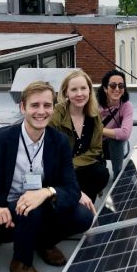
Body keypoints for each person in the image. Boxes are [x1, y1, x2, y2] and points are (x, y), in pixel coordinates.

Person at [0, 81, 96, 272]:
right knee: (29, 207)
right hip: (4, 215)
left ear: (53, 108)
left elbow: (71, 188)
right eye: (34, 105)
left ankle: (44, 243)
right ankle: (21, 261)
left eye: (47, 105)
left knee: (83, 216)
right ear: (22, 107)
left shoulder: (58, 142)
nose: (41, 111)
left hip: (40, 207)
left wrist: (45, 192)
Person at [50, 70, 110, 203]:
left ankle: (85, 204)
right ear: (66, 92)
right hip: (60, 170)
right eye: (74, 89)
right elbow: (48, 148)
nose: (79, 94)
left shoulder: (94, 116)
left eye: (83, 88)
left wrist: (73, 164)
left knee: (100, 173)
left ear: (89, 90)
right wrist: (67, 167)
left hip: (82, 168)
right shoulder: (56, 115)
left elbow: (95, 150)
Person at [97, 69, 133, 181]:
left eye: (121, 86)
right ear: (105, 88)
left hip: (116, 148)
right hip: (95, 145)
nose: (117, 89)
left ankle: (117, 176)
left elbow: (125, 134)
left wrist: (99, 130)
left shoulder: (126, 106)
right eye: (113, 86)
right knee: (99, 175)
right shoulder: (94, 105)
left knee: (116, 139)